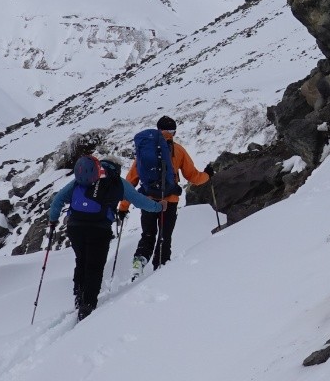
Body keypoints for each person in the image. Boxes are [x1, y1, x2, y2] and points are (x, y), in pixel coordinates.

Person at [48, 154, 164, 320]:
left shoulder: (82, 179)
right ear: (116, 168)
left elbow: (58, 199)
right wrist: (158, 207)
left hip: (75, 227)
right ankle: (87, 304)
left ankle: (78, 295)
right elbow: (140, 201)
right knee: (94, 266)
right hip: (99, 229)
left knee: (81, 260)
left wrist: (53, 220)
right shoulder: (119, 183)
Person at [124, 116, 210, 278]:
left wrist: (123, 207)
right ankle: (161, 271)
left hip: (148, 200)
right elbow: (193, 177)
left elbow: (131, 181)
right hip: (169, 201)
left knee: (148, 235)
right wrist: (208, 175)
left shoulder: (145, 152)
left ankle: (139, 261)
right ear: (174, 132)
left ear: (157, 130)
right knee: (165, 237)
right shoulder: (178, 150)